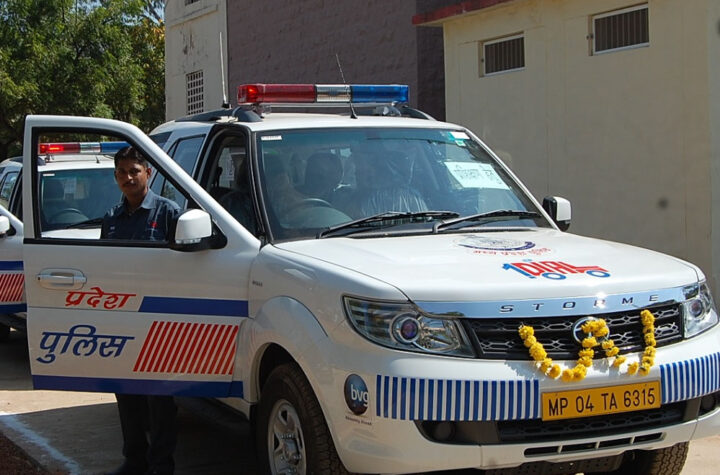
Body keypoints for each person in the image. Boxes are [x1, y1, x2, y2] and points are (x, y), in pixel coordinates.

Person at [101, 146, 181, 475]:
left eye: (134, 171)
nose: (128, 178)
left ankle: (161, 465)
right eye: (121, 172)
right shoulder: (111, 218)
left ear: (148, 173)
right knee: (126, 394)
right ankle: (134, 461)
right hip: (123, 318)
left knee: (160, 398)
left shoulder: (169, 212)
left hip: (158, 319)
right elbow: (104, 269)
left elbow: (184, 267)